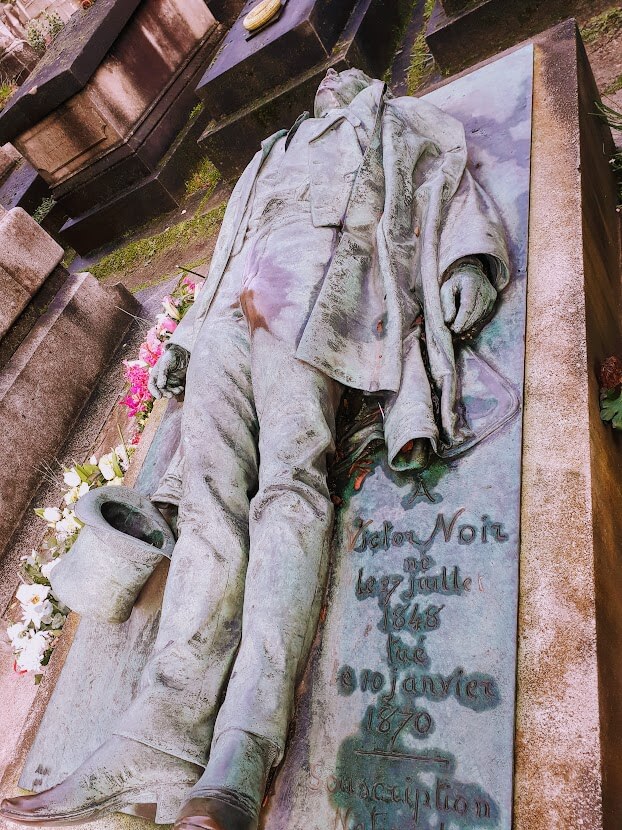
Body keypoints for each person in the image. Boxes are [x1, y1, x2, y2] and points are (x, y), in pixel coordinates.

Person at [0, 68, 508, 830]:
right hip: (244, 298)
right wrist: (189, 335)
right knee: (207, 499)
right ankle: (156, 736)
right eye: (326, 76)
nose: (335, 78)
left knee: (287, 487)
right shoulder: (272, 148)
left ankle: (242, 747)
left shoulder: (399, 121)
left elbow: (451, 187)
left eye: (348, 73)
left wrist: (465, 260)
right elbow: (231, 240)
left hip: (326, 286)